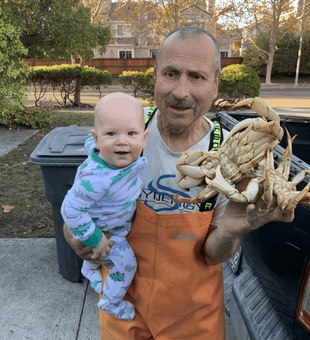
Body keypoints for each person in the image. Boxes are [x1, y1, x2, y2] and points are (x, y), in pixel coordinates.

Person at [63, 26, 295, 339]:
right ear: (155, 76)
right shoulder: (123, 131)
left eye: (197, 77)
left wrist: (230, 231)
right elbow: (76, 208)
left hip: (194, 320)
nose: (181, 91)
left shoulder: (230, 153)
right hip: (123, 310)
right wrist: (78, 238)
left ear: (215, 85)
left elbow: (213, 254)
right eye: (171, 73)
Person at [61, 92, 148, 321]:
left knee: (98, 261)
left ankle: (89, 270)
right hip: (110, 232)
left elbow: (89, 144)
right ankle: (111, 302)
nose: (122, 141)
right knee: (127, 265)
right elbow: (70, 210)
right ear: (98, 138)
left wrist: (99, 139)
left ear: (144, 138)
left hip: (115, 221)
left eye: (131, 133)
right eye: (111, 133)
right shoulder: (99, 179)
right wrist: (96, 239)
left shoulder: (103, 152)